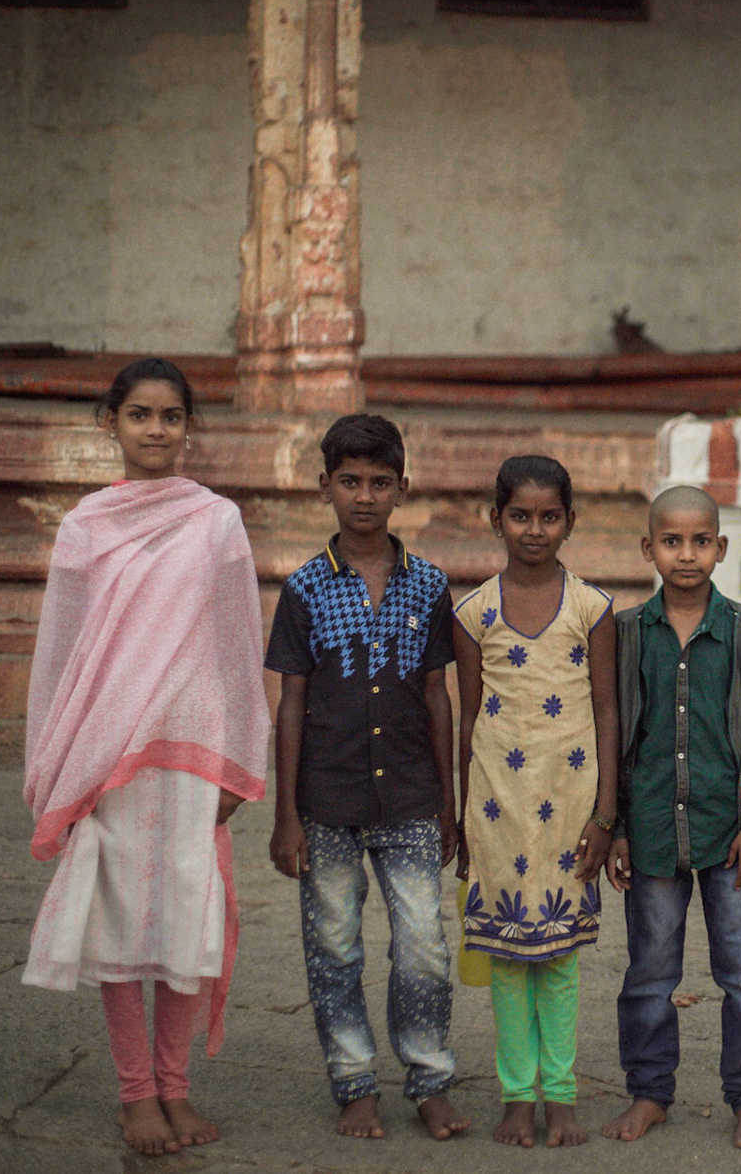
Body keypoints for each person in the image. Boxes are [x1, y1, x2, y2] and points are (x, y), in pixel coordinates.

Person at [23, 358, 269, 1157]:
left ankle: (177, 1088)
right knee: (123, 923)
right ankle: (137, 1096)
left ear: (188, 427)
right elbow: (62, 651)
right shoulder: (86, 525)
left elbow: (238, 644)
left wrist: (237, 756)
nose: (156, 430)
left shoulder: (215, 520)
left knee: (187, 921)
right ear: (111, 423)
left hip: (191, 747)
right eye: (139, 415)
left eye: (170, 416)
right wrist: (63, 758)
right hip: (110, 748)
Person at [264, 414, 470, 1143]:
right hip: (328, 803)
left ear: (401, 490)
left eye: (380, 482)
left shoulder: (429, 587)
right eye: (349, 481)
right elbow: (290, 704)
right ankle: (354, 1083)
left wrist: (449, 803)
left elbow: (438, 696)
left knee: (422, 948)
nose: (364, 496)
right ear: (324, 486)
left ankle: (428, 1079)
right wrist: (286, 815)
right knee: (334, 950)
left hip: (412, 798)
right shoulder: (306, 591)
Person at [602, 484, 741, 1151]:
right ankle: (650, 1091)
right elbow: (613, 737)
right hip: (652, 830)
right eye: (672, 541)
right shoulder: (625, 635)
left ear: (721, 547)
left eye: (701, 541)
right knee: (650, 972)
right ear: (648, 547)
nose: (687, 554)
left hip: (729, 833)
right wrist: (617, 827)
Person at [453, 455, 619, 1149]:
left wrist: (606, 815)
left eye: (549, 517)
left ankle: (563, 1095)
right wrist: (454, 810)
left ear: (569, 522)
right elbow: (466, 718)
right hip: (496, 808)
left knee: (557, 959)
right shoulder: (473, 613)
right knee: (508, 958)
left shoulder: (592, 609)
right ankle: (517, 1095)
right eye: (520, 515)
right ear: (496, 519)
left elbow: (607, 711)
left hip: (570, 808)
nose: (534, 529)